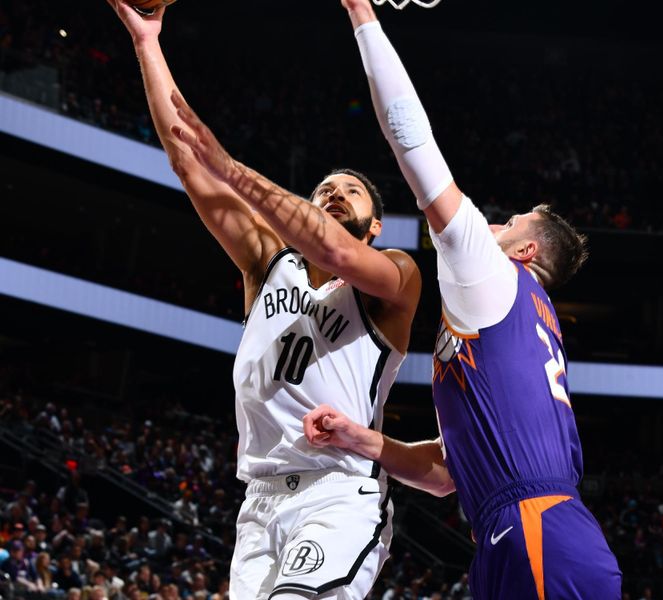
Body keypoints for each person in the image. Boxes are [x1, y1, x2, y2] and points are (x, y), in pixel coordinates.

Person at [303, 1, 622, 598]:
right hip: (528, 530)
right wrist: (360, 440)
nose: (490, 226)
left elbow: (412, 142)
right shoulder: (517, 322)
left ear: (524, 253)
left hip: (535, 532)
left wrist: (360, 13)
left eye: (508, 223)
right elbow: (448, 474)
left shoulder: (495, 279)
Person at [106, 1, 421, 598]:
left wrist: (236, 170)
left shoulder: (393, 277)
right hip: (258, 505)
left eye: (350, 192)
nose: (333, 193)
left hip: (337, 490)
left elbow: (334, 251)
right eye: (324, 188)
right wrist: (148, 41)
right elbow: (188, 163)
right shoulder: (268, 266)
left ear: (375, 224)